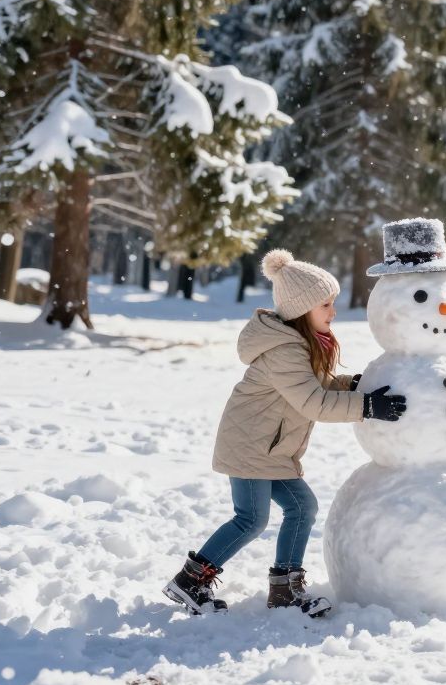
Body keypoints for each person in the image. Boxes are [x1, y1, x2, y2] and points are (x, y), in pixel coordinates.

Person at [162, 250, 407, 616]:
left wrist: (354, 385)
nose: (333, 312)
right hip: (249, 447)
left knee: (301, 506)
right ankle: (190, 581)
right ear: (301, 309)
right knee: (251, 519)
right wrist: (367, 407)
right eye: (326, 304)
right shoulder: (284, 351)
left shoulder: (299, 344)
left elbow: (319, 386)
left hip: (270, 449)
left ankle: (284, 589)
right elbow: (315, 404)